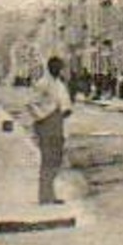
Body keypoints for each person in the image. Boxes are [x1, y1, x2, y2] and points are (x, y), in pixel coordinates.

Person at [24, 56, 73, 204]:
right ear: (51, 68)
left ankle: (51, 194)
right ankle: (44, 196)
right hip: (47, 123)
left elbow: (63, 101)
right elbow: (30, 103)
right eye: (57, 67)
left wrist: (66, 110)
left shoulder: (59, 83)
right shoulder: (42, 83)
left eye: (60, 67)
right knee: (47, 159)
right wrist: (42, 117)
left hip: (58, 123)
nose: (59, 70)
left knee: (56, 159)